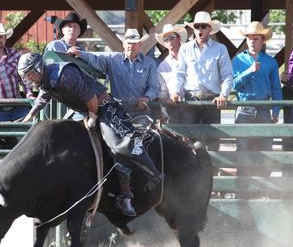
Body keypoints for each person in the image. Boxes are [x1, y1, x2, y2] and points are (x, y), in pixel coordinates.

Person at [18, 52, 163, 217]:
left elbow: (92, 99)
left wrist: (93, 117)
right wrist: (30, 115)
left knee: (117, 146)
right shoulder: (46, 79)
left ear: (38, 69)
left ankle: (144, 180)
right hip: (83, 110)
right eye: (25, 75)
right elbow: (44, 96)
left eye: (29, 74)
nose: (27, 79)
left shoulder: (64, 75)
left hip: (102, 106)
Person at [168, 11, 233, 152]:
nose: (200, 30)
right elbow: (179, 74)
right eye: (197, 26)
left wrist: (223, 95)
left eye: (203, 26)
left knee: (213, 141)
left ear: (209, 29)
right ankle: (194, 173)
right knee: (190, 141)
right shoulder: (185, 49)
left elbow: (228, 75)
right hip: (191, 99)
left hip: (212, 100)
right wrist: (175, 91)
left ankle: (214, 172)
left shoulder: (220, 49)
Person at [68, 28, 161, 122]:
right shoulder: (112, 59)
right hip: (118, 111)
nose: (131, 46)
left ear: (139, 45)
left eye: (134, 43)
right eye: (129, 43)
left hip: (141, 112)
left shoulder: (149, 63)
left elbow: (155, 87)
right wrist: (80, 53)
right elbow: (95, 59)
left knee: (145, 134)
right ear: (124, 44)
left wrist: (147, 98)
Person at [232, 21, 282, 177]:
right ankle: (243, 188)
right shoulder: (238, 60)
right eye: (249, 38)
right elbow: (233, 84)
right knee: (243, 149)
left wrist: (276, 110)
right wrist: (250, 71)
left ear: (263, 41)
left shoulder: (271, 62)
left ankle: (263, 189)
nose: (252, 41)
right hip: (244, 108)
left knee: (265, 149)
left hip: (263, 109)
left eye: (256, 38)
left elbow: (276, 87)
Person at [155, 23, 187, 122]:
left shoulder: (191, 58)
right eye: (166, 39)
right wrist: (163, 110)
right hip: (173, 108)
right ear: (164, 43)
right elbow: (163, 92)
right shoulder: (162, 67)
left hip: (193, 103)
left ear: (179, 38)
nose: (169, 41)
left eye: (172, 37)